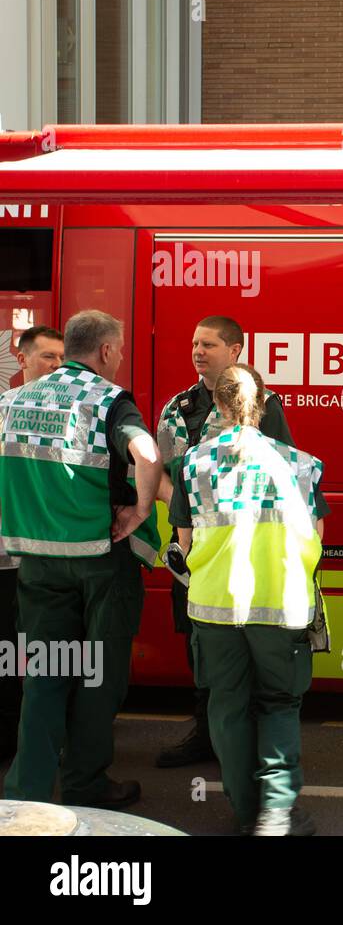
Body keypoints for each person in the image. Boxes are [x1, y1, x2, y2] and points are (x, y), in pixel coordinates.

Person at [0, 310, 161, 809]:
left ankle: (26, 794)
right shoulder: (109, 399)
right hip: (100, 560)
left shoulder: (10, 401)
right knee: (98, 676)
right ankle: (85, 787)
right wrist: (139, 510)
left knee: (44, 677)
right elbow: (147, 453)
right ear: (107, 351)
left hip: (37, 562)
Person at [169, 363, 326, 836]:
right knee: (278, 704)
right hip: (280, 605)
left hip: (214, 607)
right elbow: (316, 538)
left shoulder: (192, 463)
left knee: (227, 706)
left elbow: (183, 542)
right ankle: (277, 815)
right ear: (263, 405)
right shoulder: (299, 464)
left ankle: (244, 812)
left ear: (216, 404)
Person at [154, 315, 300, 769]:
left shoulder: (266, 405)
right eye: (195, 343)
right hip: (195, 553)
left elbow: (284, 471)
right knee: (199, 644)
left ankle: (247, 737)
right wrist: (188, 508)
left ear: (235, 350)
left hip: (249, 550)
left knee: (249, 643)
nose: (198, 351)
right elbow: (162, 474)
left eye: (210, 344)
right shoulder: (177, 408)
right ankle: (207, 732)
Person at [0, 326, 65, 764]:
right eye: (47, 358)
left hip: (50, 556)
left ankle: (47, 738)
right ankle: (10, 740)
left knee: (53, 653)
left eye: (62, 358)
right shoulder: (3, 411)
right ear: (22, 361)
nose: (57, 367)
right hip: (8, 558)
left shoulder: (69, 412)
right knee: (8, 652)